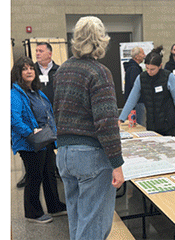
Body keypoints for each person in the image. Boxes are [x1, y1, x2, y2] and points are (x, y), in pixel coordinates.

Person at [53, 16, 124, 240]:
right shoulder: (99, 72)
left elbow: (57, 111)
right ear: (101, 40)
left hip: (64, 154)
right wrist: (117, 163)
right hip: (90, 156)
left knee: (77, 222)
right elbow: (107, 122)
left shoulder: (62, 70)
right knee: (93, 227)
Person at [12, 56, 66, 223]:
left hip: (46, 140)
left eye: (31, 68)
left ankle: (54, 206)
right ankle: (33, 213)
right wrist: (31, 134)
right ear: (18, 73)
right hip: (30, 143)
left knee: (49, 175)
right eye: (24, 69)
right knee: (34, 177)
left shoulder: (37, 92)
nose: (29, 71)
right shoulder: (14, 94)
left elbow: (48, 113)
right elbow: (14, 119)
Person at [118, 47, 175, 138]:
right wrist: (121, 119)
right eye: (147, 68)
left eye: (152, 69)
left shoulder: (169, 77)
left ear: (160, 66)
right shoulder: (141, 78)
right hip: (152, 125)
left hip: (169, 125)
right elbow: (131, 100)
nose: (149, 72)